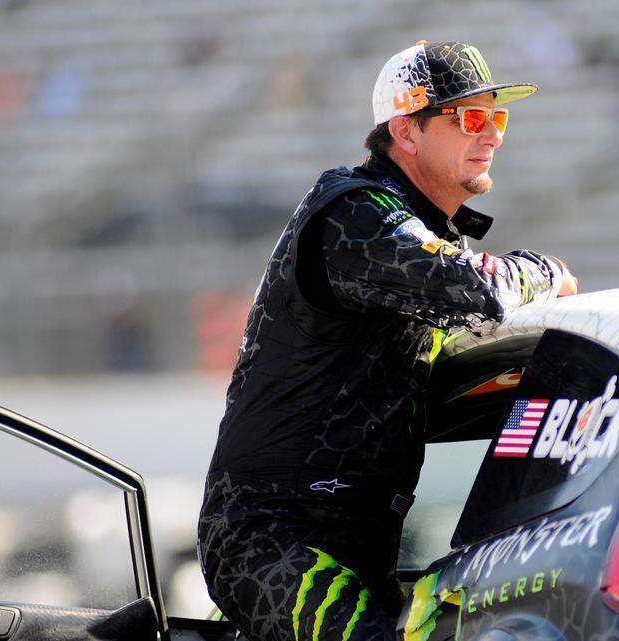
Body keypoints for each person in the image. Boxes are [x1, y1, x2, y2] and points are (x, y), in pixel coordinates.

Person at [198, 40, 578, 641]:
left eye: (497, 118)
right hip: (274, 538)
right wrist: (547, 271)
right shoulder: (356, 210)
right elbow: (479, 291)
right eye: (469, 118)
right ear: (406, 130)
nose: (492, 135)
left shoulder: (412, 228)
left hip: (354, 540)